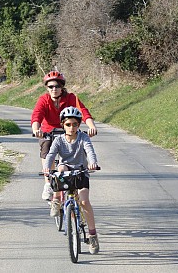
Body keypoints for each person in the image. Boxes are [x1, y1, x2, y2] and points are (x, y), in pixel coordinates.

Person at [31, 71, 97, 201]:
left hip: (67, 129)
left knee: (77, 150)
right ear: (47, 88)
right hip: (48, 131)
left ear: (62, 87)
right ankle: (48, 184)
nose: (54, 89)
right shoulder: (44, 99)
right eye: (50, 87)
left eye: (57, 86)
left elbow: (83, 112)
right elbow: (36, 115)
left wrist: (91, 126)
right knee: (47, 147)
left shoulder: (71, 98)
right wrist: (36, 129)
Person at [44, 106, 100, 254]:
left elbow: (89, 150)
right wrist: (46, 167)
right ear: (63, 125)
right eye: (68, 124)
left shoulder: (83, 137)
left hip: (81, 172)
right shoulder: (58, 140)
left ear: (79, 125)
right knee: (60, 170)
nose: (72, 127)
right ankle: (56, 199)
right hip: (66, 170)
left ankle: (93, 236)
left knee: (84, 202)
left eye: (75, 124)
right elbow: (50, 155)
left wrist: (92, 163)